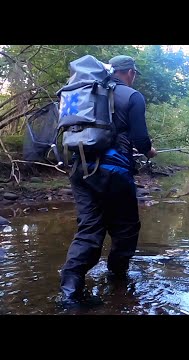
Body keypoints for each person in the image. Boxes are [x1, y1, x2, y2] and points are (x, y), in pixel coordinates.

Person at [57, 55, 157, 307]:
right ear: (130, 72)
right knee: (126, 228)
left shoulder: (86, 92)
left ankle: (69, 294)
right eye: (134, 73)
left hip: (79, 169)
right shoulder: (133, 97)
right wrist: (150, 151)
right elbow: (142, 140)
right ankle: (118, 279)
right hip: (114, 172)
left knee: (89, 228)